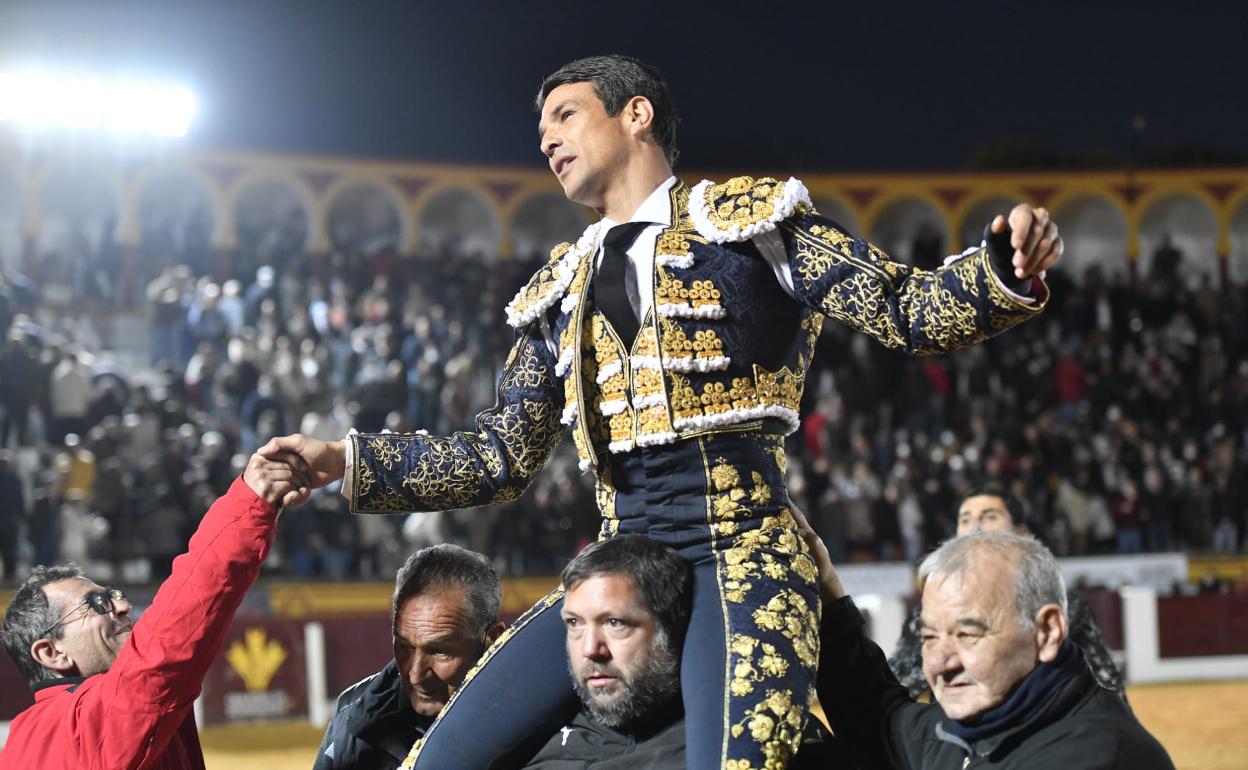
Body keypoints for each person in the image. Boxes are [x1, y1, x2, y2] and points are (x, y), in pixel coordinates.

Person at [264, 55, 1064, 769]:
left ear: (635, 113)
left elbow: (905, 308)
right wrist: (346, 461)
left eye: (565, 115)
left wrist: (1002, 268)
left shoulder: (752, 225)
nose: (546, 139)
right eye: (540, 127)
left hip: (742, 552)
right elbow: (499, 454)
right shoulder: (559, 287)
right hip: (615, 568)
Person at [0, 445, 309, 770]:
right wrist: (251, 501)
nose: (122, 605)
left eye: (114, 594)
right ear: (52, 653)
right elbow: (166, 645)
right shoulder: (82, 724)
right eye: (97, 604)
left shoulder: (23, 741)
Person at [796, 511, 1175, 769]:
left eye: (967, 633)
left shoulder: (1096, 756)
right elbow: (882, 725)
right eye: (929, 636)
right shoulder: (983, 723)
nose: (940, 664)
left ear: (1047, 632)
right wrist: (826, 591)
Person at [520, 535, 837, 769]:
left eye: (615, 623)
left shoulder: (762, 738)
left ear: (671, 629)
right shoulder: (527, 737)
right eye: (575, 623)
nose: (590, 649)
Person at [889, 485, 1125, 700]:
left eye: (990, 516)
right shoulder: (930, 613)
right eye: (965, 519)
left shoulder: (1065, 605)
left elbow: (1107, 685)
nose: (976, 527)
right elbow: (899, 682)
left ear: (1021, 533)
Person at [313, 543, 504, 770]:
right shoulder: (353, 717)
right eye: (404, 647)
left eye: (439, 651)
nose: (415, 675)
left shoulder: (538, 722)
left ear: (493, 640)